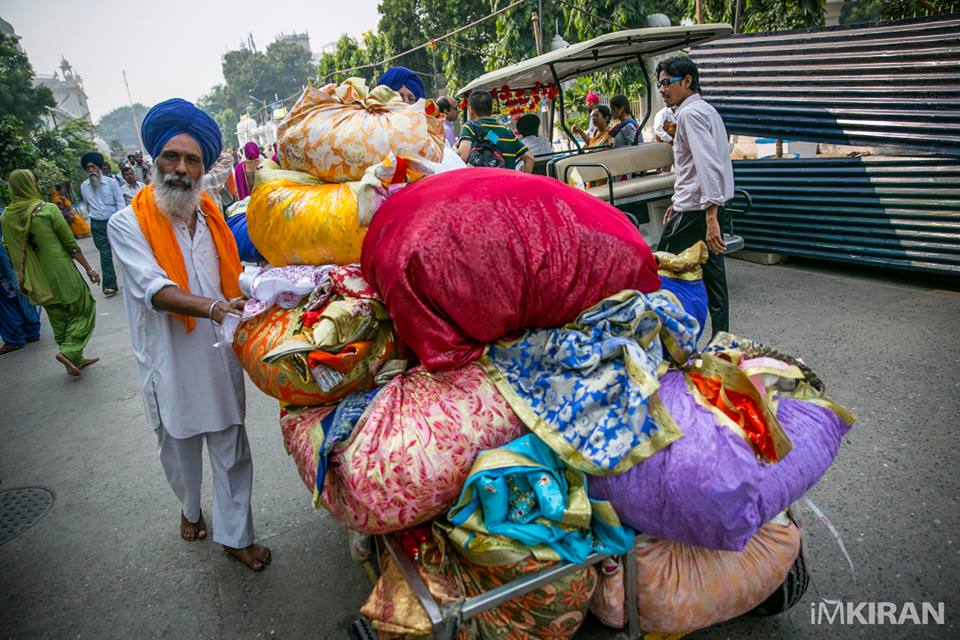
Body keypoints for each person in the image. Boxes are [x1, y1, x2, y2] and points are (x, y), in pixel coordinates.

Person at [107, 97, 270, 572]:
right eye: (171, 158)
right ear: (154, 161)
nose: (180, 168)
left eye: (191, 159)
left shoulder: (214, 215)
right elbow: (155, 291)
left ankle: (235, 536)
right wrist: (219, 308)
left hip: (219, 357)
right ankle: (190, 507)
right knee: (179, 455)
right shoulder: (127, 223)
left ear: (204, 168)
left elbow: (235, 273)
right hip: (170, 362)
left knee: (231, 447)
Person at [656, 55, 734, 336]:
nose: (663, 90)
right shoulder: (705, 110)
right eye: (660, 85)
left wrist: (710, 215)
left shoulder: (690, 114)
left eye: (668, 83)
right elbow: (695, 166)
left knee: (660, 271)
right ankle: (721, 338)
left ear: (688, 81)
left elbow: (708, 163)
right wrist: (677, 204)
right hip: (697, 206)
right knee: (713, 273)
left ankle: (668, 339)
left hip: (698, 211)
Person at [1, 169, 100, 375]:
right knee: (84, 308)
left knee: (58, 316)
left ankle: (75, 358)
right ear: (30, 185)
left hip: (35, 277)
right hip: (61, 270)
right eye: (34, 182)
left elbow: (12, 251)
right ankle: (70, 350)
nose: (37, 186)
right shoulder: (47, 210)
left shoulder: (7, 217)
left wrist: (22, 279)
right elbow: (71, 245)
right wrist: (89, 269)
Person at [80, 151, 125, 297]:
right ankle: (110, 286)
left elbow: (120, 202)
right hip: (97, 223)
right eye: (88, 168)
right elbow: (87, 205)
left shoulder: (111, 183)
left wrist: (121, 220)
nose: (91, 170)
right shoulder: (84, 186)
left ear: (98, 167)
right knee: (105, 254)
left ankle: (133, 281)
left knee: (123, 251)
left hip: (113, 221)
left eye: (93, 167)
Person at [457, 90, 535, 173]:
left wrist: (455, 150)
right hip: (507, 184)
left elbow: (463, 158)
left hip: (483, 184)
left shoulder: (470, 127)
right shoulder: (508, 132)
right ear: (491, 110)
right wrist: (521, 181)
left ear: (470, 110)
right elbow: (530, 158)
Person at [0, 223, 41, 354]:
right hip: (14, 263)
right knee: (19, 296)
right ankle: (31, 330)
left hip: (6, 269)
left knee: (6, 304)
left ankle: (15, 338)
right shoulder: (5, 215)